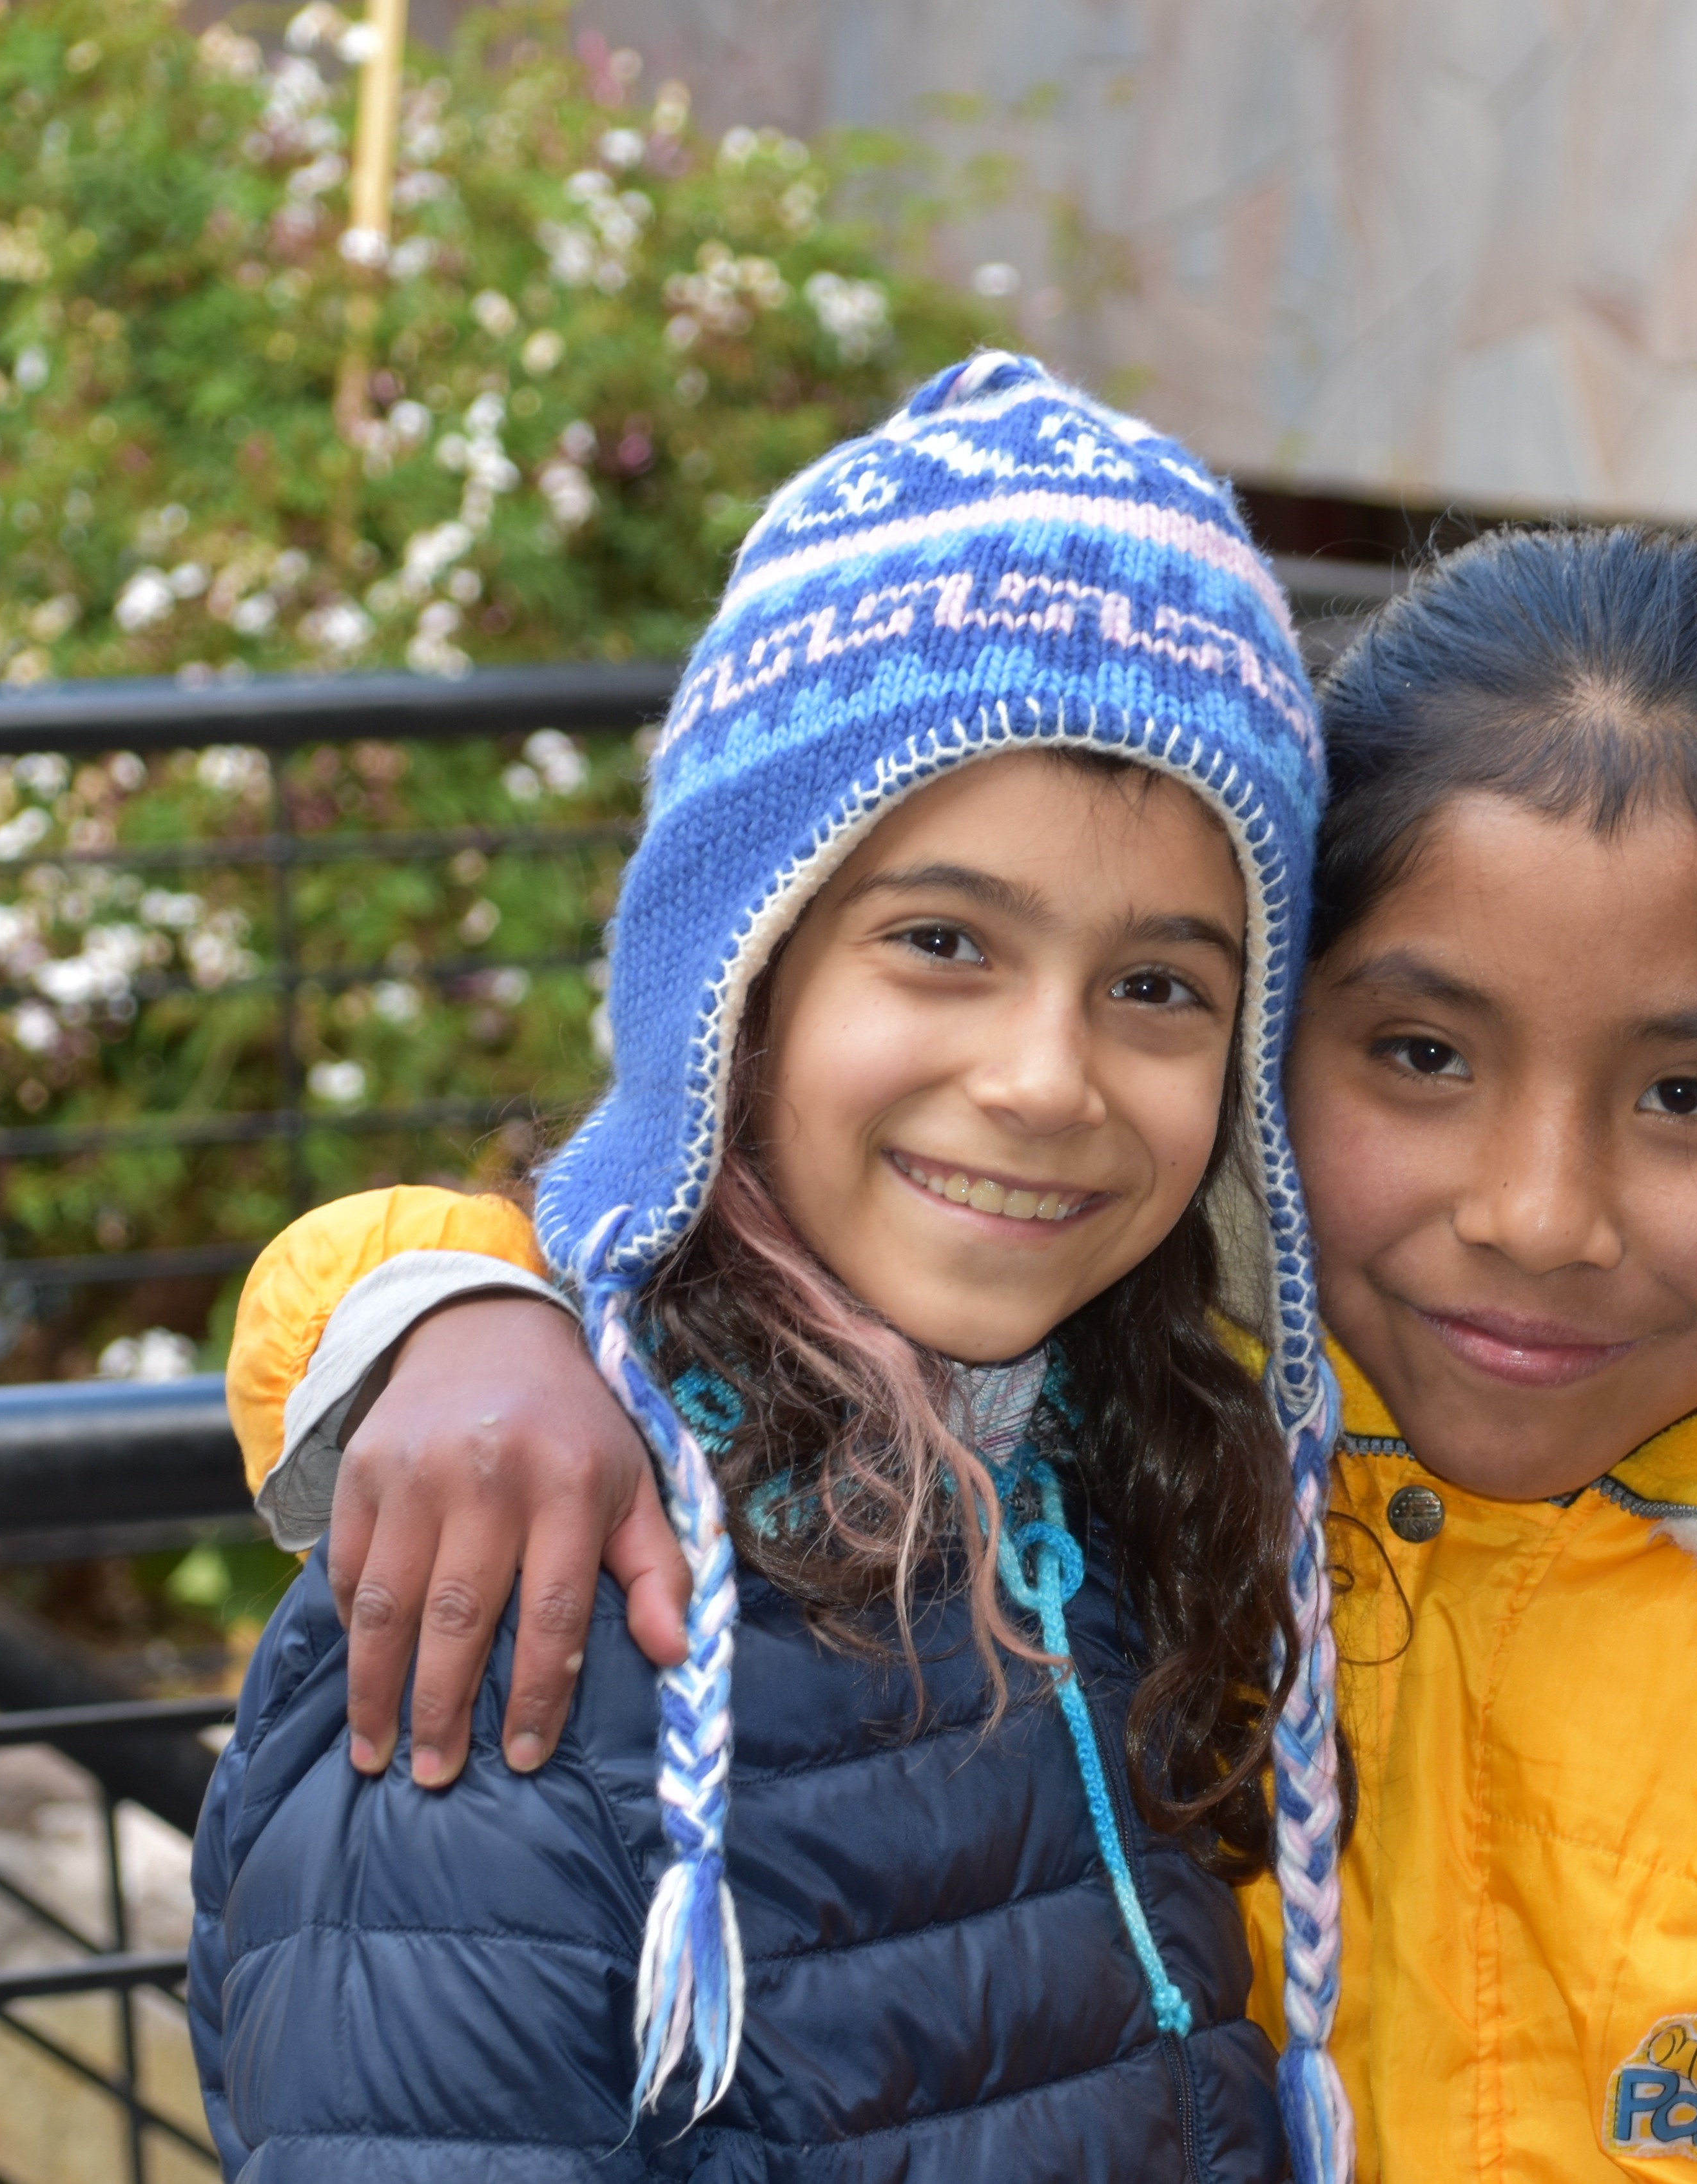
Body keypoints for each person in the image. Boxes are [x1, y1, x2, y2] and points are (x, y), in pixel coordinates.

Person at [239, 527, 1697, 2176]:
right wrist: (446, 1303)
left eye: (1689, 1095)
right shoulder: (1204, 1472)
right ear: (1272, 1066)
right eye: (1422, 1055)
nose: (1539, 1214)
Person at [187, 352, 1357, 2182]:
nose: (1047, 1080)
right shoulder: (519, 1598)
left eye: (1157, 986)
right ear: (739, 972)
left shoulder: (1140, 1482)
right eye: (945, 941)